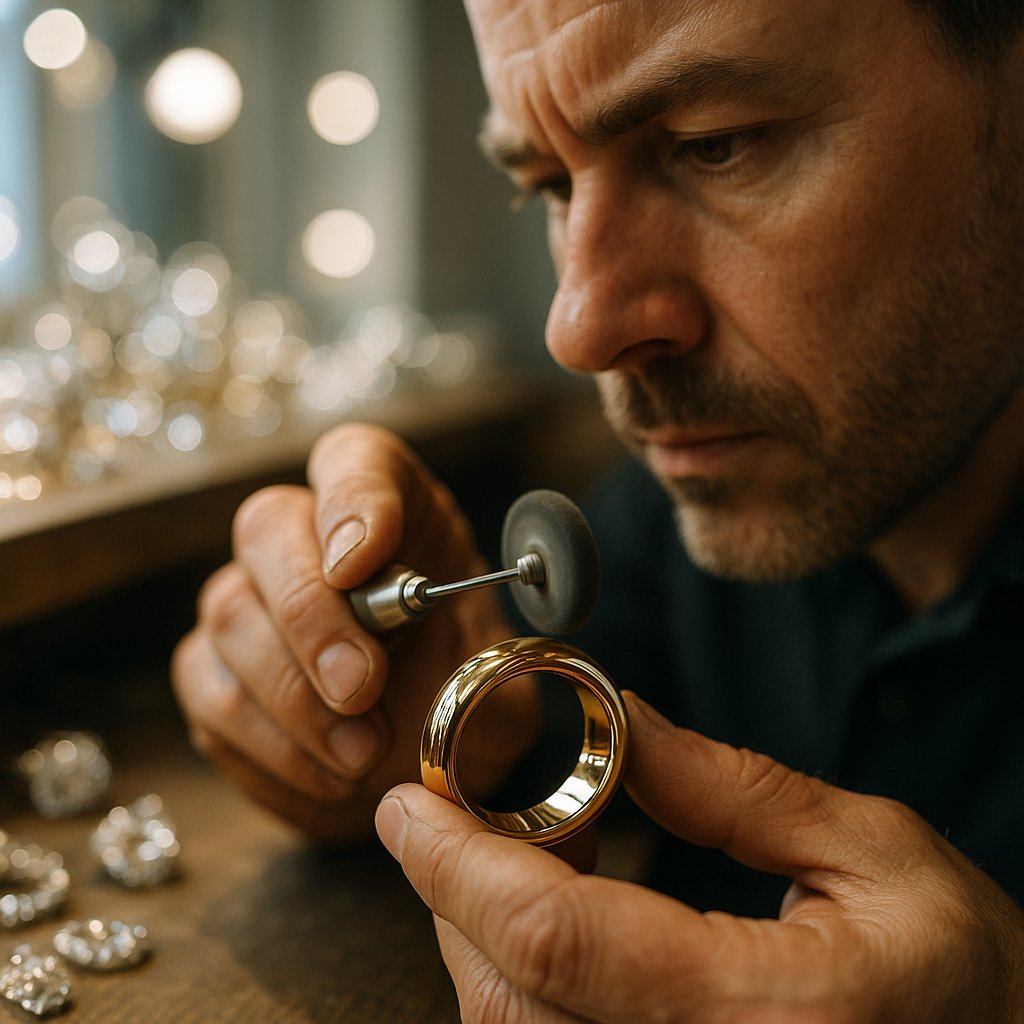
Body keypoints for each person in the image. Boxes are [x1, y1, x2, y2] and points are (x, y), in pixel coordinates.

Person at [172, 0, 1024, 1018]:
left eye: (717, 145)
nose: (578, 327)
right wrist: (400, 727)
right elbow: (518, 725)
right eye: (548, 183)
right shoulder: (674, 516)